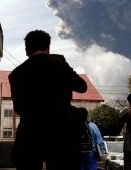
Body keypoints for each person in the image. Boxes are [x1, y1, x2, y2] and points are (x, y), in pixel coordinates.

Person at [8, 29, 88, 170]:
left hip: (30, 134)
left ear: (26, 50)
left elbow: (18, 108)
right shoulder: (59, 64)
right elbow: (82, 86)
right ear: (48, 47)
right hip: (61, 134)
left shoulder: (16, 74)